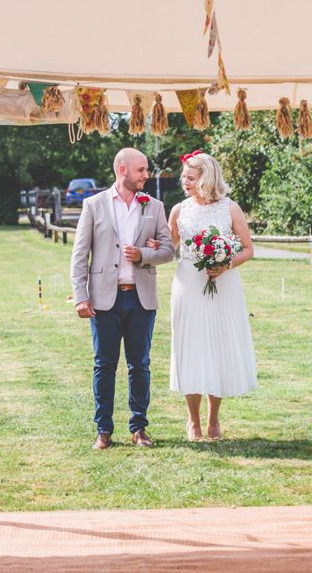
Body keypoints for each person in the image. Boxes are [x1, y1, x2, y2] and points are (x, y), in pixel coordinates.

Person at [70, 147, 175, 450]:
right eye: (141, 170)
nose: (146, 175)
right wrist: (81, 296)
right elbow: (80, 255)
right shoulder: (93, 204)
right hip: (104, 300)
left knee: (140, 365)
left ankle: (139, 428)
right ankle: (103, 430)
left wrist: (144, 254)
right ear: (122, 170)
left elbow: (168, 250)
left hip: (141, 299)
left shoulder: (154, 206)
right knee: (104, 365)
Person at [162, 151, 257, 441]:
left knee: (218, 346)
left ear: (207, 178)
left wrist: (225, 263)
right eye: (184, 177)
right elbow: (169, 248)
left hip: (223, 285)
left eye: (190, 178)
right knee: (190, 347)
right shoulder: (179, 210)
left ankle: (214, 419)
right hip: (188, 283)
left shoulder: (230, 208)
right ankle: (193, 421)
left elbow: (248, 249)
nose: (184, 182)